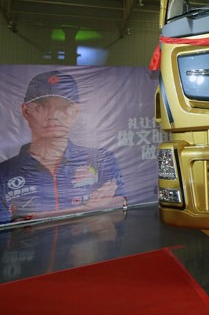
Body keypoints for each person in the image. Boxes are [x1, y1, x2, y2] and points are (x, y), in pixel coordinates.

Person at [0, 71, 126, 224]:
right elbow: (5, 235)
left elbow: (119, 215)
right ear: (26, 111)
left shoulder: (101, 160)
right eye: (41, 107)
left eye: (64, 107)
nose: (53, 115)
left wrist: (33, 219)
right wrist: (87, 209)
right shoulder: (4, 173)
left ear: (76, 112)